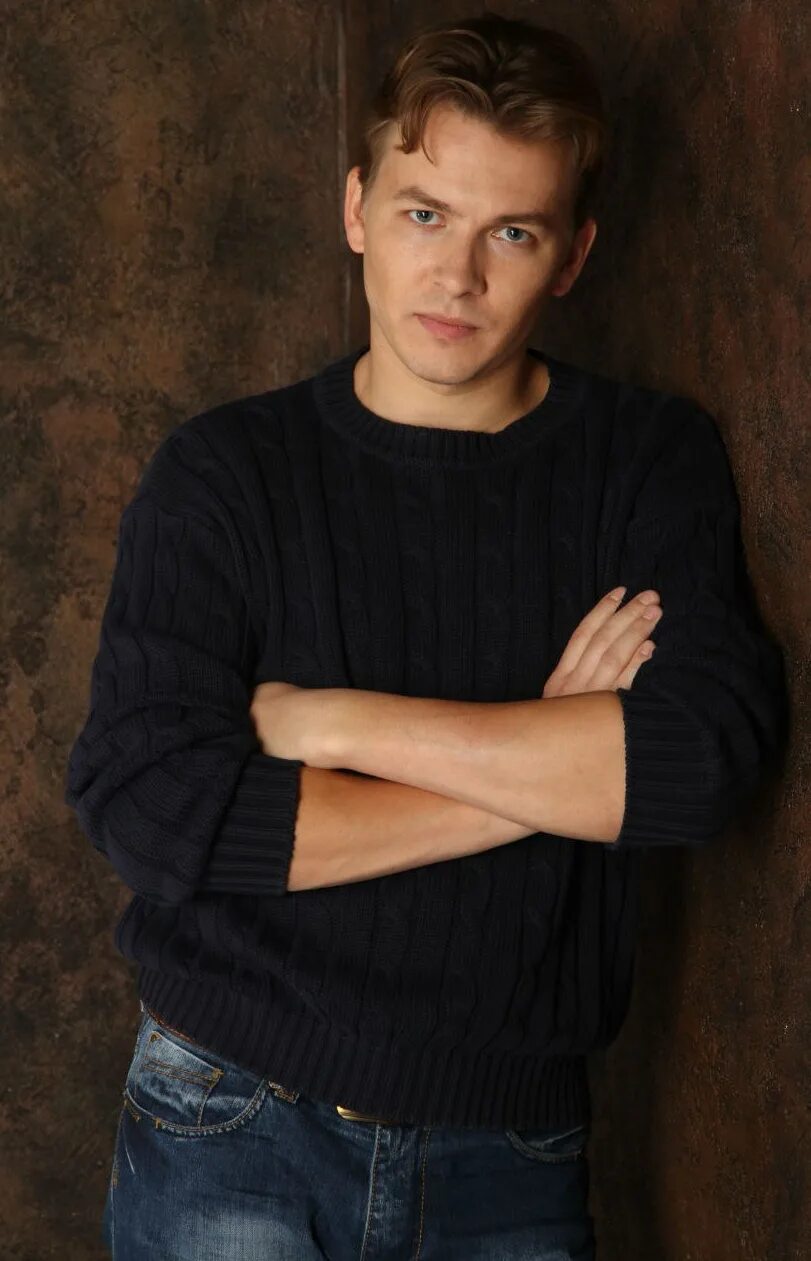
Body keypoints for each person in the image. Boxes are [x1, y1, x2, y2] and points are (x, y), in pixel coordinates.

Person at [64, 13, 786, 1260]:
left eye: (512, 232)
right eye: (423, 214)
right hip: (229, 1116)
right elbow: (156, 809)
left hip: (510, 1158)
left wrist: (331, 722)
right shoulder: (225, 474)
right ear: (356, 209)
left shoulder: (645, 461)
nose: (456, 277)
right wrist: (545, 767)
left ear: (572, 256)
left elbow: (699, 762)